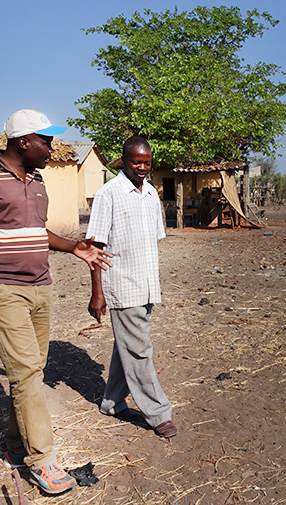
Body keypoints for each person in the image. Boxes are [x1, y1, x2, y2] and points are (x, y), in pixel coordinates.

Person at [0, 109, 112, 495]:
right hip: (0, 288)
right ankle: (43, 461)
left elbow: (36, 232)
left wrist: (74, 247)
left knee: (31, 373)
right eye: (46, 141)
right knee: (25, 374)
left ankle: (16, 446)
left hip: (40, 286)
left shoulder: (36, 180)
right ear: (24, 142)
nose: (51, 149)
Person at [86, 136, 177, 439]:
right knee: (139, 350)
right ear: (123, 162)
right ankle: (158, 413)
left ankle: (112, 402)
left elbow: (152, 241)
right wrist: (97, 293)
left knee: (127, 346)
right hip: (122, 284)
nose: (142, 167)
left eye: (146, 162)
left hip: (147, 284)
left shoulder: (150, 194)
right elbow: (95, 248)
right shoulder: (108, 194)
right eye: (136, 162)